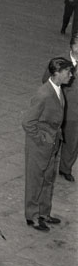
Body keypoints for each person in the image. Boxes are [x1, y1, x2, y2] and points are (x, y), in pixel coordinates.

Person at [22, 57, 73, 231]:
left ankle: (44, 213)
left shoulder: (58, 89)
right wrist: (42, 140)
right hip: (40, 146)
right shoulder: (43, 94)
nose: (71, 75)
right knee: (35, 181)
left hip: (52, 144)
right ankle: (32, 217)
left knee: (47, 179)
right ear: (57, 73)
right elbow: (28, 122)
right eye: (68, 72)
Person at [60, 39, 78, 182]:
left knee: (72, 142)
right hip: (59, 109)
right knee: (53, 141)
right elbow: (46, 80)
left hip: (75, 112)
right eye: (77, 44)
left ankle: (65, 169)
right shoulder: (60, 62)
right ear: (71, 46)